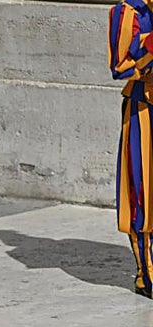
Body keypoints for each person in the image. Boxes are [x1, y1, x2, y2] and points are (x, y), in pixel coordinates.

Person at [110, 0, 153, 296]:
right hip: (145, 111)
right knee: (144, 195)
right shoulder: (128, 12)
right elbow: (121, 66)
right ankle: (147, 274)